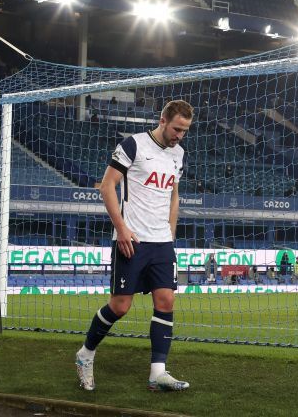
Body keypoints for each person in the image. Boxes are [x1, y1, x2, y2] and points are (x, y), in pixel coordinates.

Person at [75, 100, 193, 392]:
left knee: (166, 301)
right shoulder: (133, 145)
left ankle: (157, 373)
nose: (180, 135)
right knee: (121, 306)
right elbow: (107, 186)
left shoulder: (178, 154)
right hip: (133, 239)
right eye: (177, 128)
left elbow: (174, 195)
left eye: (185, 131)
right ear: (163, 120)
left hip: (162, 242)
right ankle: (85, 354)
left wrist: (171, 231)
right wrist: (122, 229)